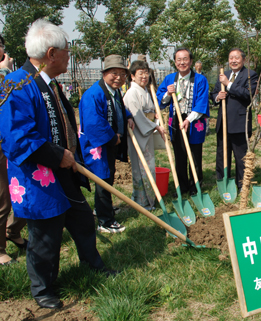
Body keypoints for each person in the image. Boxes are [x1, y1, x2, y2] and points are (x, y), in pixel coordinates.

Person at [0, 19, 112, 309]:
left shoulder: (49, 83)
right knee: (45, 235)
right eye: (66, 51)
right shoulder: (16, 85)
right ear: (51, 53)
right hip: (38, 176)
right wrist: (56, 155)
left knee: (83, 219)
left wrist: (69, 154)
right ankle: (43, 289)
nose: (68, 57)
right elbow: (17, 138)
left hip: (64, 170)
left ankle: (92, 264)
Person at [79, 54, 134, 233]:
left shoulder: (114, 91)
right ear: (104, 73)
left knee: (108, 176)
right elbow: (94, 123)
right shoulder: (94, 95)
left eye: (122, 74)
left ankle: (103, 208)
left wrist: (128, 116)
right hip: (97, 145)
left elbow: (119, 108)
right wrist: (113, 138)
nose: (118, 77)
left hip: (108, 143)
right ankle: (105, 221)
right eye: (114, 73)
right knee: (102, 178)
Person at [156, 48, 209, 195]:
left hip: (194, 119)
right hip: (176, 121)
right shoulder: (169, 79)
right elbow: (160, 99)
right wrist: (168, 93)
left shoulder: (200, 79)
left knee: (194, 154)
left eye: (185, 59)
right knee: (179, 154)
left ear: (191, 61)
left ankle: (195, 186)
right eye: (179, 60)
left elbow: (202, 102)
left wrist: (188, 119)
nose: (182, 62)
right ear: (175, 62)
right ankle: (182, 185)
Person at [211, 48, 258, 191]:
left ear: (243, 59)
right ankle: (222, 183)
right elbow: (213, 94)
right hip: (223, 123)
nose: (233, 61)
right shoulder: (223, 74)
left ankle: (241, 185)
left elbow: (248, 94)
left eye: (237, 58)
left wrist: (229, 84)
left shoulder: (250, 75)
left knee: (240, 157)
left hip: (239, 124)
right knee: (222, 156)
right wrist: (218, 97)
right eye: (231, 58)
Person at [0, 34, 27, 266]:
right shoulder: (5, 75)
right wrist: (5, 72)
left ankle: (13, 231)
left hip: (12, 142)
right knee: (3, 199)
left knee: (22, 192)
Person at [123, 60, 165, 210]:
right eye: (140, 73)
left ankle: (148, 199)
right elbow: (138, 116)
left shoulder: (146, 91)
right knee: (140, 168)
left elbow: (150, 113)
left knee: (149, 166)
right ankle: (142, 201)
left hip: (147, 132)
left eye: (146, 73)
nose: (144, 76)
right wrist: (155, 126)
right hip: (137, 134)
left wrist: (156, 119)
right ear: (132, 76)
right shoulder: (131, 93)